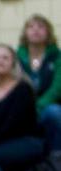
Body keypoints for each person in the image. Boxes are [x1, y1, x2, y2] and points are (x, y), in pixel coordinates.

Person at [18, 14, 61, 152]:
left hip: (48, 107)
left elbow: (57, 89)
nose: (36, 30)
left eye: (41, 27)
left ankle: (56, 160)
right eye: (31, 27)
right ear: (25, 33)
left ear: (48, 33)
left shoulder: (57, 56)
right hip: (24, 108)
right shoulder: (16, 57)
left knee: (53, 113)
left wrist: (37, 107)